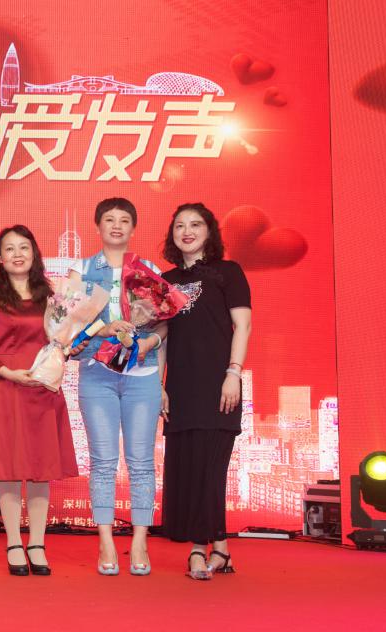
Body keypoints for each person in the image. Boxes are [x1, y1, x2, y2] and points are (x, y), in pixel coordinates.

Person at [68, 197, 167, 576]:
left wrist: (148, 341)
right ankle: (106, 541)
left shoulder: (148, 270)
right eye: (109, 219)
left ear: (132, 228)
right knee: (103, 462)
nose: (116, 226)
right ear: (98, 226)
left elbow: (163, 323)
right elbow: (64, 324)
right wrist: (101, 329)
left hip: (142, 376)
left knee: (141, 463)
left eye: (124, 220)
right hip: (97, 375)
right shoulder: (81, 270)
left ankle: (140, 540)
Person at [0, 225, 78, 576]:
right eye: (9, 249)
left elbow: (62, 339)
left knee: (39, 471)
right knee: (8, 470)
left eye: (24, 247)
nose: (17, 254)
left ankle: (37, 542)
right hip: (7, 388)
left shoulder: (52, 297)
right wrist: (7, 372)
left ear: (34, 254)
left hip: (43, 390)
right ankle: (14, 542)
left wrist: (67, 348)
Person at [159, 203, 252, 580]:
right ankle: (222, 551)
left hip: (219, 385)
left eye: (195, 224)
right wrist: (159, 386)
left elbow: (242, 326)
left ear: (209, 231)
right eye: (179, 225)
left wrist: (233, 373)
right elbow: (162, 337)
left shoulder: (228, 272)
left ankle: (199, 549)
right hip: (180, 388)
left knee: (210, 471)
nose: (187, 231)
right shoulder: (164, 280)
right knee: (187, 470)